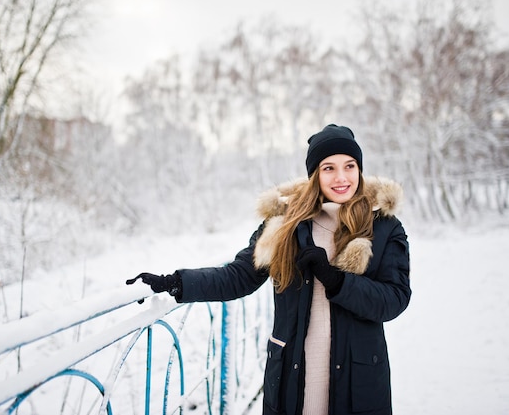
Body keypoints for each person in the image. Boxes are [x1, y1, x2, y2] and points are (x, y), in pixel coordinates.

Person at [127, 124, 411, 415]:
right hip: (293, 379)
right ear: (315, 175)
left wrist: (337, 281)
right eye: (329, 168)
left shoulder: (384, 228)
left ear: (359, 170)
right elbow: (239, 277)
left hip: (358, 382)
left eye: (349, 166)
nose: (341, 177)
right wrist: (174, 283)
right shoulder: (285, 226)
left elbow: (394, 299)